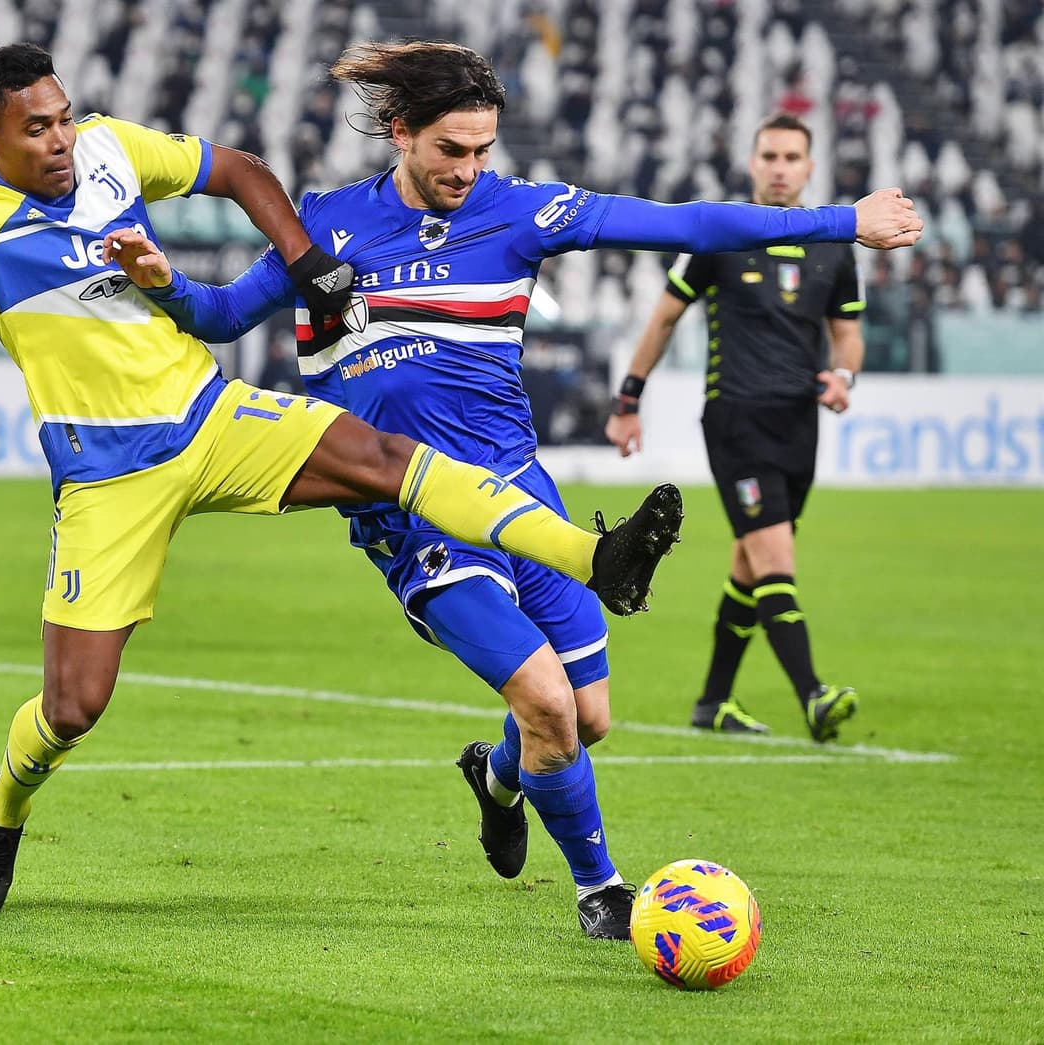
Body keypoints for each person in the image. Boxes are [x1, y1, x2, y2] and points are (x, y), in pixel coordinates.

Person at [98, 43, 922, 939]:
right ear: (402, 133)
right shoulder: (327, 223)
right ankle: (601, 889)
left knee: (589, 718)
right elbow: (223, 316)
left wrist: (844, 221)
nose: (470, 168)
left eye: (483, 149)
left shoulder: (522, 212)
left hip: (522, 496)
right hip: (412, 515)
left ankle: (496, 777)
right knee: (546, 702)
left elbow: (685, 225)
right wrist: (163, 284)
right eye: (452, 149)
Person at [0, 43, 680, 915]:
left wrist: (305, 260)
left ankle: (594, 556)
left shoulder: (110, 147)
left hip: (211, 417)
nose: (62, 139)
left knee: (382, 457)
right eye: (37, 129)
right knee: (74, 705)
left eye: (64, 116)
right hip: (108, 475)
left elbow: (243, 172)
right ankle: (4, 805)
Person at [607, 113, 878, 742]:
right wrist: (629, 399)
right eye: (769, 156)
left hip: (798, 426)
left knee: (751, 564)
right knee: (776, 557)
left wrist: (845, 377)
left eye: (792, 158)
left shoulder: (833, 250)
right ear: (753, 164)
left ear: (810, 168)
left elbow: (849, 338)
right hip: (735, 420)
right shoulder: (722, 237)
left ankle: (713, 703)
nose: (780, 168)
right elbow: (664, 319)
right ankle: (813, 695)